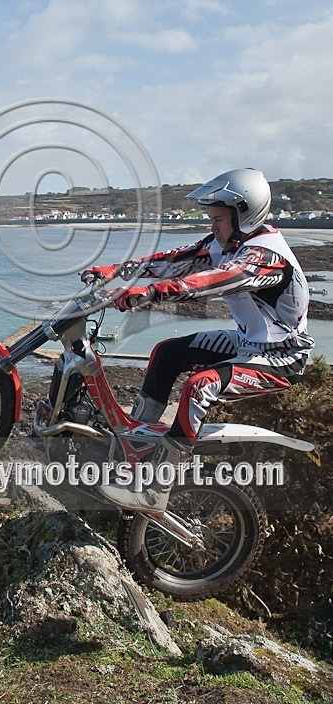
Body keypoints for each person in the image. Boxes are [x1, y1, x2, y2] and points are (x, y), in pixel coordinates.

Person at [81, 168, 314, 513]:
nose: (212, 226)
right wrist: (114, 271)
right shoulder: (225, 243)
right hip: (246, 342)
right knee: (167, 352)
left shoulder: (266, 257)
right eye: (211, 219)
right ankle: (135, 449)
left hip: (281, 355)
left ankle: (157, 486)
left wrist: (151, 293)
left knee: (199, 386)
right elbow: (172, 261)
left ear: (244, 215)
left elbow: (214, 281)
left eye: (219, 219)